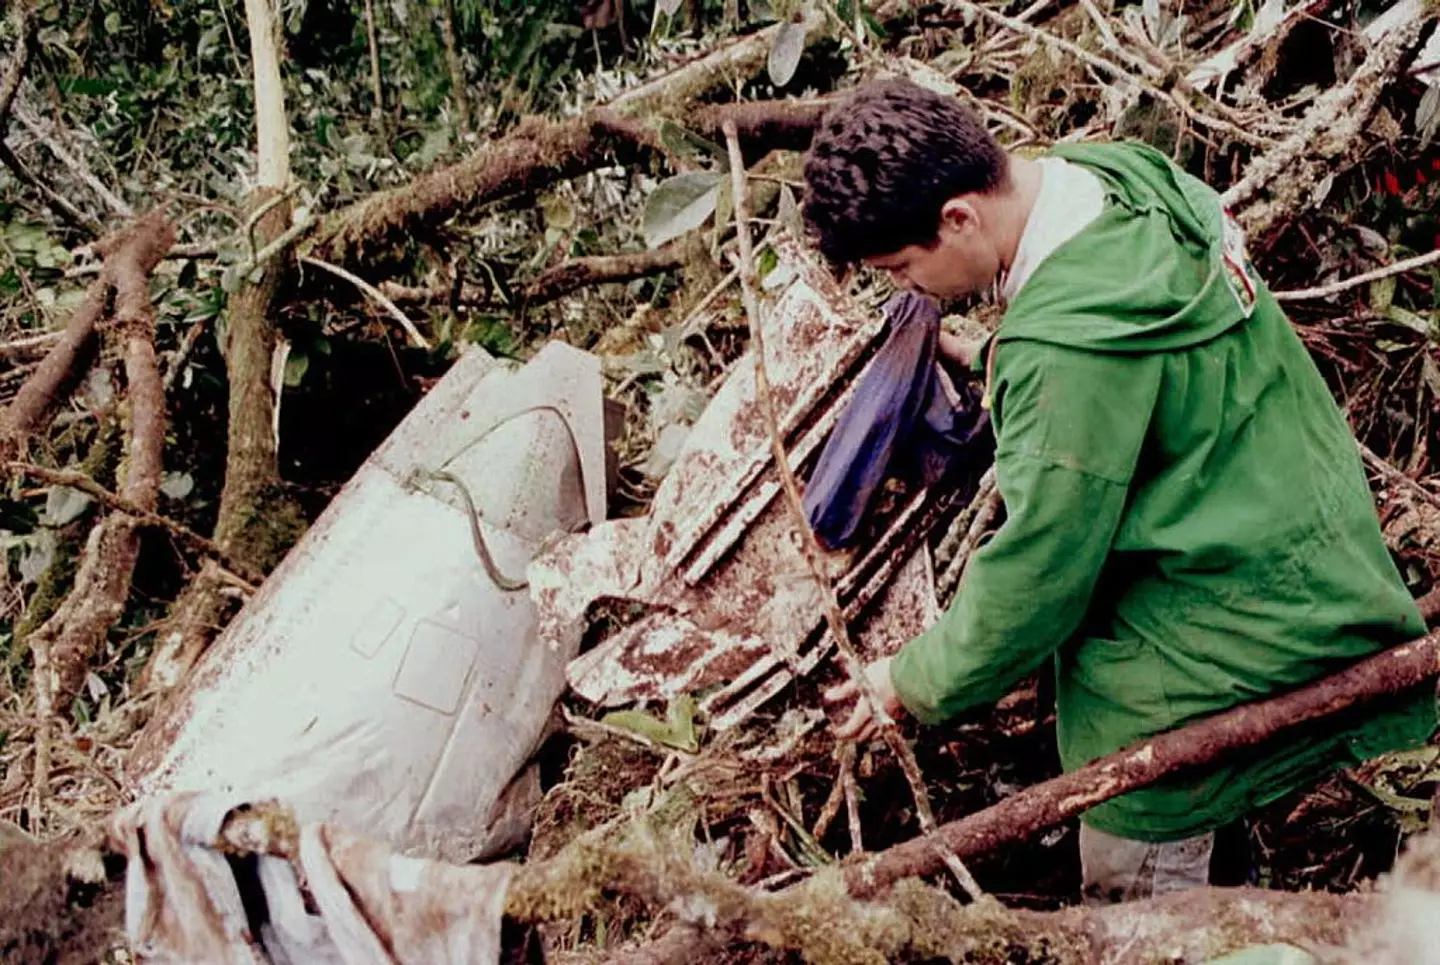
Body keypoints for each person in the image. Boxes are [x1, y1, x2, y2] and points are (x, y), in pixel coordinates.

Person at [803, 78, 1436, 903]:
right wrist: (1001, 359)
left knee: (1131, 855)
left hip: (1226, 638)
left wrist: (911, 679)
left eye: (903, 267)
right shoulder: (1113, 179)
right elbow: (1122, 369)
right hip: (1307, 556)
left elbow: (1039, 580)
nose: (909, 292)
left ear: (959, 216)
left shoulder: (1065, 355)